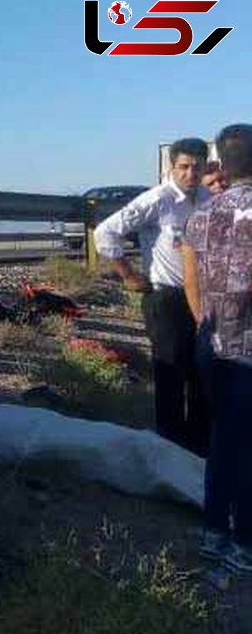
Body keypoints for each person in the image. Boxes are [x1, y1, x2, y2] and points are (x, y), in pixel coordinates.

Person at [93, 137, 211, 456]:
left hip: (201, 298)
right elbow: (104, 232)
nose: (190, 173)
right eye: (184, 167)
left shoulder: (207, 198)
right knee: (170, 370)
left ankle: (199, 446)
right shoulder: (156, 200)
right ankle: (170, 446)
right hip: (166, 297)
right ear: (172, 167)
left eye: (197, 167)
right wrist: (129, 275)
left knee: (202, 372)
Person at [182, 123, 252, 572]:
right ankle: (244, 542)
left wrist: (206, 328)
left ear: (220, 165)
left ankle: (214, 532)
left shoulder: (199, 215)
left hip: (210, 344)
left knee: (223, 438)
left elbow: (191, 282)